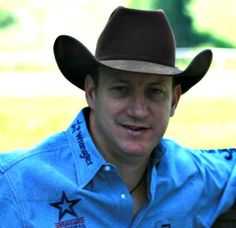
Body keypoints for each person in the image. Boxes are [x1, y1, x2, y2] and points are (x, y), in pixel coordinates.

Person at [0, 6, 235, 228]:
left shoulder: (192, 174)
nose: (138, 110)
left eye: (155, 91)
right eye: (121, 89)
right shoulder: (14, 184)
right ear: (92, 93)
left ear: (174, 101)